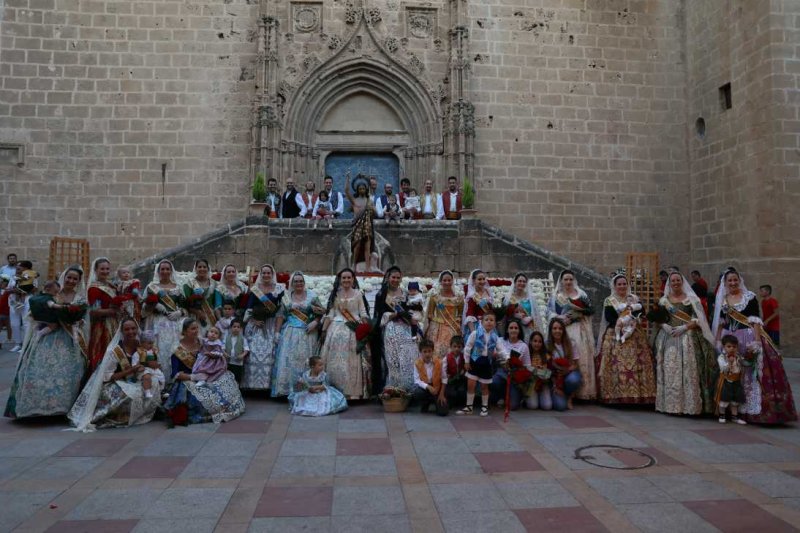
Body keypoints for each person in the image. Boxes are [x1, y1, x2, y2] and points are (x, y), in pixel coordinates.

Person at [711, 268, 796, 424]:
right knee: (732, 371)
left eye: (735, 280)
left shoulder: (749, 297)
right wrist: (717, 340)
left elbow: (755, 320)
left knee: (749, 371)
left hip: (747, 336)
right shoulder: (724, 300)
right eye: (730, 280)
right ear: (725, 283)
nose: (733, 283)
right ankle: (731, 410)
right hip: (730, 340)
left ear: (740, 280)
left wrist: (757, 341)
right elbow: (722, 322)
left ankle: (751, 410)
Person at [5, 266, 87, 419]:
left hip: (69, 337)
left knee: (69, 372)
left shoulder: (80, 299)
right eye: (69, 277)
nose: (71, 281)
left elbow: (82, 318)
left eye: (75, 279)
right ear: (64, 277)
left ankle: (63, 409)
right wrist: (47, 319)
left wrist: (77, 320)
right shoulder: (53, 293)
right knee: (39, 369)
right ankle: (38, 407)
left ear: (79, 281)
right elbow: (33, 312)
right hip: (47, 337)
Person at [68, 318, 163, 431]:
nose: (131, 332)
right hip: (117, 381)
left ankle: (145, 411)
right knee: (127, 395)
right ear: (121, 331)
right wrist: (130, 370)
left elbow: (152, 362)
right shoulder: (115, 350)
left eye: (133, 328)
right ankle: (116, 416)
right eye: (127, 329)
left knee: (153, 382)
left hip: (138, 379)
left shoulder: (142, 345)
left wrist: (152, 364)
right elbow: (108, 376)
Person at [653, 272, 717, 415]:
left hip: (688, 336)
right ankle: (670, 405)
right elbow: (658, 318)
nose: (676, 282)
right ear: (669, 283)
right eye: (673, 280)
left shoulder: (692, 299)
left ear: (682, 282)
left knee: (689, 370)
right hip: (668, 337)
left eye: (678, 280)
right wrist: (664, 325)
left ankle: (690, 406)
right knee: (670, 370)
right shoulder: (663, 300)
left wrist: (685, 327)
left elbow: (699, 318)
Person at [164, 319, 245, 426]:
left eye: (197, 328)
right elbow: (175, 373)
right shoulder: (177, 349)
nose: (196, 331)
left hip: (209, 373)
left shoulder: (202, 342)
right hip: (189, 378)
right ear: (184, 331)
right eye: (193, 329)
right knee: (198, 395)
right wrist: (193, 377)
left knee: (225, 385)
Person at [596, 273, 657, 405]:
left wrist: (632, 319)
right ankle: (616, 395)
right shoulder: (609, 300)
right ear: (615, 286)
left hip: (634, 332)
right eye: (619, 284)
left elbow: (641, 312)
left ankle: (639, 395)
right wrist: (622, 324)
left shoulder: (634, 298)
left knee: (639, 362)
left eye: (624, 284)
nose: (622, 286)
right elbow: (609, 317)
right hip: (616, 332)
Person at [319, 268, 371, 399]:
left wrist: (367, 331)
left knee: (352, 361)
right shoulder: (335, 294)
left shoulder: (358, 294)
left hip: (354, 330)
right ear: (340, 279)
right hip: (335, 330)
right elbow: (330, 314)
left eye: (349, 277)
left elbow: (363, 313)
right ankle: (335, 390)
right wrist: (324, 331)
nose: (346, 280)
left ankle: (351, 392)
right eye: (344, 278)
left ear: (353, 279)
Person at [272, 271, 324, 397]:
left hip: (308, 333)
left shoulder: (312, 296)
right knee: (289, 361)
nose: (299, 283)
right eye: (296, 281)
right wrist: (277, 333)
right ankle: (288, 389)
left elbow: (321, 311)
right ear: (292, 283)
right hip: (290, 333)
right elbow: (280, 315)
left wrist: (315, 322)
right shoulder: (286, 297)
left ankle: (307, 389)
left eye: (301, 281)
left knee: (305, 360)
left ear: (304, 282)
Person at [547, 270, 596, 400]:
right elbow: (549, 313)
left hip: (579, 331)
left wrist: (575, 316)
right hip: (562, 331)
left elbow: (588, 312)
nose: (568, 282)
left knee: (580, 359)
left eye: (570, 279)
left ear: (574, 281)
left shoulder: (581, 295)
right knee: (565, 358)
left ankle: (582, 392)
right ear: (561, 281)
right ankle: (563, 390)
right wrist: (560, 317)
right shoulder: (556, 296)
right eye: (566, 279)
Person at [377, 266, 420, 393]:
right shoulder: (382, 294)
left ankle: (409, 388)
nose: (395, 280)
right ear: (388, 278)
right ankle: (394, 388)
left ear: (401, 279)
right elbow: (379, 315)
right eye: (393, 277)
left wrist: (412, 316)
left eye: (398, 277)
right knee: (393, 358)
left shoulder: (406, 293)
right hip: (391, 329)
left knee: (409, 356)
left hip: (407, 328)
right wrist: (394, 314)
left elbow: (413, 309)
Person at [458, 311, 508, 417]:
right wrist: (466, 361)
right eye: (487, 320)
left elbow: (501, 350)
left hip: (486, 363)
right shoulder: (475, 333)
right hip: (474, 361)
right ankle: (469, 407)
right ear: (482, 322)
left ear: (495, 323)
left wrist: (507, 358)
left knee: (484, 386)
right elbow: (467, 347)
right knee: (470, 385)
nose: (489, 322)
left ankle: (484, 407)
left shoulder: (495, 337)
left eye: (491, 320)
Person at [242, 264, 284, 390]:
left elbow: (281, 311)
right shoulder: (255, 289)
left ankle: (267, 386)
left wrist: (277, 332)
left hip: (271, 325)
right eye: (263, 273)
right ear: (260, 274)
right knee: (252, 354)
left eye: (268, 273)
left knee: (270, 355)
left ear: (272, 274)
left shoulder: (279, 289)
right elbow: (249, 309)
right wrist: (254, 320)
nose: (266, 275)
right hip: (256, 325)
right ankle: (251, 385)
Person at [142, 260, 186, 378]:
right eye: (162, 269)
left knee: (174, 348)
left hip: (174, 323)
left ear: (171, 271)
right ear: (158, 271)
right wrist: (154, 305)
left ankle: (174, 377)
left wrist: (179, 312)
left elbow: (185, 307)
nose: (165, 271)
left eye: (167, 269)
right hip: (157, 322)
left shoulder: (178, 287)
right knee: (159, 348)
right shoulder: (152, 287)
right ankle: (160, 378)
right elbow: (143, 308)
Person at [489, 318, 531, 411]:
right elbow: (493, 354)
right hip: (501, 371)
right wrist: (496, 355)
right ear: (507, 330)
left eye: (516, 328)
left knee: (513, 406)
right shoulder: (500, 340)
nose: (513, 330)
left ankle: (516, 396)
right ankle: (502, 396)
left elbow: (527, 365)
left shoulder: (524, 346)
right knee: (494, 382)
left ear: (519, 331)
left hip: (515, 376)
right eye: (511, 328)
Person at [86, 258, 121, 370]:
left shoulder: (111, 285)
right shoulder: (94, 289)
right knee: (104, 353)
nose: (105, 271)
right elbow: (93, 312)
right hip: (102, 326)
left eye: (107, 269)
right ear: (96, 270)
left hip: (116, 323)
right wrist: (113, 311)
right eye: (102, 269)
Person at [424, 270, 464, 358]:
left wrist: (457, 320)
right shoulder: (435, 296)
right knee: (437, 351)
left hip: (453, 326)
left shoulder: (458, 297)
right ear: (440, 281)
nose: (447, 282)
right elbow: (430, 314)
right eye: (444, 280)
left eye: (449, 280)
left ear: (452, 281)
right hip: (438, 328)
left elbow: (461, 313)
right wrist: (439, 321)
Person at [344, 173, 378, 272]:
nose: (362, 190)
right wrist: (347, 179)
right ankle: (354, 266)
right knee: (357, 245)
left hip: (367, 225)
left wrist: (372, 208)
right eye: (360, 189)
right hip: (357, 225)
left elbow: (376, 213)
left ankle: (368, 267)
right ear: (357, 190)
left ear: (366, 189)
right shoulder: (354, 200)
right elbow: (346, 191)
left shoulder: (369, 201)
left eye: (363, 188)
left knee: (367, 246)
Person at [546, 318, 582, 411]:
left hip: (569, 373)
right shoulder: (547, 345)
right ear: (550, 330)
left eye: (560, 328)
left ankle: (569, 396)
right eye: (554, 328)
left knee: (573, 380)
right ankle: (558, 393)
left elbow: (576, 364)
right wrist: (555, 384)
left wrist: (567, 370)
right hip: (554, 378)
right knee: (560, 407)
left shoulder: (571, 343)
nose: (557, 331)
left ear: (563, 330)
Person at [502, 273, 545, 342]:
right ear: (515, 283)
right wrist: (514, 316)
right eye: (519, 281)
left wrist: (530, 318)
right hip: (514, 329)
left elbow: (536, 314)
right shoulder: (509, 298)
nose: (522, 283)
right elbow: (504, 316)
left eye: (524, 281)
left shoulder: (530, 298)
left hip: (528, 327)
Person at [715, 335, 747, 425]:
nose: (732, 349)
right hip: (726, 381)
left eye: (734, 347)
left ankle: (734, 417)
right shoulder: (722, 357)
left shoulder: (738, 356)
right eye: (729, 346)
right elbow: (723, 369)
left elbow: (743, 364)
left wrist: (750, 358)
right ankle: (722, 415)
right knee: (724, 399)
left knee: (735, 400)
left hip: (736, 381)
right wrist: (729, 362)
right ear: (724, 347)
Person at [182, 259, 219, 332]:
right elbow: (185, 303)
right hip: (194, 317)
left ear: (208, 269)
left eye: (204, 267)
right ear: (195, 269)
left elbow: (215, 302)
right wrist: (197, 312)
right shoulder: (189, 283)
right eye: (199, 267)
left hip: (210, 316)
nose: (202, 269)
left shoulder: (214, 283)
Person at [412, 339, 447, 416]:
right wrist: (428, 386)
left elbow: (444, 378)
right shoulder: (417, 363)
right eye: (424, 352)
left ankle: (436, 401)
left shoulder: (439, 362)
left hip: (437, 388)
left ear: (432, 351)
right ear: (420, 352)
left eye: (429, 351)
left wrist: (441, 394)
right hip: (425, 388)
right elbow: (417, 380)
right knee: (417, 392)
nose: (427, 354)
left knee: (443, 412)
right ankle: (425, 403)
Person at [526, 331, 553, 410]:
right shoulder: (527, 354)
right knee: (533, 406)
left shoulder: (546, 356)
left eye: (540, 342)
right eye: (535, 341)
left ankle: (542, 396)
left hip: (544, 384)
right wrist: (536, 371)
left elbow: (550, 373)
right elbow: (525, 370)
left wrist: (540, 371)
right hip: (531, 385)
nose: (537, 344)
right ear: (530, 342)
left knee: (547, 406)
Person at [134, 331, 165, 399]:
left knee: (161, 376)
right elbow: (134, 364)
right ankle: (147, 392)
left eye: (152, 343)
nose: (151, 345)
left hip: (153, 369)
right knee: (147, 376)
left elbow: (158, 361)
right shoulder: (138, 352)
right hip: (144, 370)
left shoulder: (153, 352)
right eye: (149, 343)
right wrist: (139, 367)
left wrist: (157, 364)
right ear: (142, 343)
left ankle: (161, 391)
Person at [462, 269, 493, 336]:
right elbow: (469, 314)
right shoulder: (472, 295)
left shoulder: (488, 291)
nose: (482, 281)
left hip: (489, 324)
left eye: (483, 279)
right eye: (479, 279)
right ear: (473, 281)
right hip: (478, 326)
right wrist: (474, 333)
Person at [441, 335, 466, 411]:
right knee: (451, 393)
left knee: (462, 392)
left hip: (461, 379)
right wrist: (447, 376)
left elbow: (467, 366)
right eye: (454, 346)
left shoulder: (464, 357)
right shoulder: (447, 358)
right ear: (451, 347)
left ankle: (460, 403)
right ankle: (451, 403)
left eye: (459, 347)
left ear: (462, 347)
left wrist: (464, 370)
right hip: (451, 380)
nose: (456, 349)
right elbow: (443, 371)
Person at [225, 318, 249, 384]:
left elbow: (246, 349)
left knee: (237, 379)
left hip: (238, 363)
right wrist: (225, 353)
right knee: (228, 378)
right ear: (231, 328)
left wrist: (242, 355)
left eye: (238, 327)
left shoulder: (243, 339)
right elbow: (222, 347)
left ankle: (237, 389)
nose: (236, 328)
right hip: (228, 362)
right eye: (234, 326)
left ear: (241, 329)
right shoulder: (226, 337)